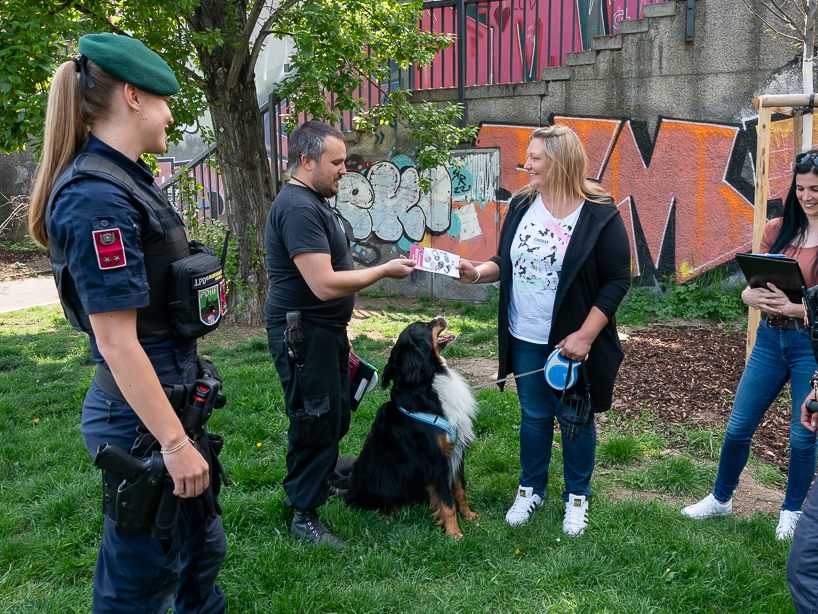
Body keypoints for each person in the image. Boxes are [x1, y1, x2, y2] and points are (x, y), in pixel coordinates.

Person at [28, 33, 227, 611]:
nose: (170, 114)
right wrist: (172, 443)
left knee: (198, 559)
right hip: (141, 423)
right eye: (165, 100)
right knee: (139, 584)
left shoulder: (129, 179)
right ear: (134, 97)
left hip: (170, 403)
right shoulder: (96, 199)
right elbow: (116, 339)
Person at [458, 124, 630, 536]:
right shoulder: (521, 205)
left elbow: (617, 281)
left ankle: (577, 497)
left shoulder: (600, 214)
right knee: (534, 415)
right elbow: (504, 261)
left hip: (571, 342)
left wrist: (586, 336)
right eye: (528, 156)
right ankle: (530, 488)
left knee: (575, 418)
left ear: (561, 162)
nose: (526, 164)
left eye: (536, 158)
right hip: (523, 335)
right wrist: (476, 272)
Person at [264, 121, 415, 546]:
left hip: (324, 330)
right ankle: (303, 512)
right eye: (336, 162)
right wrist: (383, 270)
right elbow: (323, 283)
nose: (344, 170)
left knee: (336, 411)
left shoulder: (313, 201)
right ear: (307, 161)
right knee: (315, 418)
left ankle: (324, 475)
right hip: (304, 334)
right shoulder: (296, 207)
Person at [682, 150, 818, 540]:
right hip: (769, 341)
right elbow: (752, 287)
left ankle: (791, 512)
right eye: (801, 188)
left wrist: (794, 307)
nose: (807, 196)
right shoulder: (778, 229)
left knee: (801, 435)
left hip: (809, 346)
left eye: (816, 189)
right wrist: (751, 297)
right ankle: (720, 499)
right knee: (739, 427)